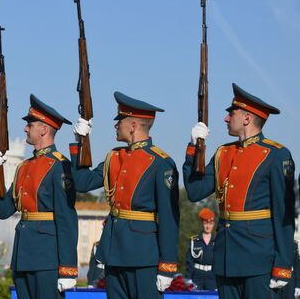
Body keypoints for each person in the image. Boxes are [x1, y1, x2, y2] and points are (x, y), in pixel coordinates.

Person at [184, 83, 295, 298]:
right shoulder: (223, 153)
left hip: (259, 260)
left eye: (231, 113)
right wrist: (193, 148)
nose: (226, 119)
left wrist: (283, 264)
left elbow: (285, 214)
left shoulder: (275, 155)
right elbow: (194, 191)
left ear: (247, 118)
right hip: (226, 258)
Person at [71, 92, 180, 298]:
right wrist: (79, 143)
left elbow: (169, 217)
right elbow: (82, 182)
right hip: (114, 252)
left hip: (144, 256)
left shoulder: (160, 162)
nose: (115, 125)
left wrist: (167, 265)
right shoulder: (114, 157)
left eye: (119, 121)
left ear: (132, 125)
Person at [0, 94, 78, 299]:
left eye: (30, 124)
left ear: (44, 129)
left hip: (47, 260)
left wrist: (68, 268)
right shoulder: (23, 167)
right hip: (23, 257)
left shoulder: (59, 167)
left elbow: (67, 219)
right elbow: (4, 211)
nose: (25, 128)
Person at [185, 208, 216, 290]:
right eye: (205, 223)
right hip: (197, 275)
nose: (208, 226)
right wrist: (188, 279)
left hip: (212, 276)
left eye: (210, 223)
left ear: (213, 224)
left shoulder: (218, 241)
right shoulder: (194, 241)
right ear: (202, 223)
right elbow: (189, 262)